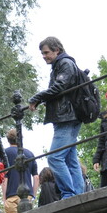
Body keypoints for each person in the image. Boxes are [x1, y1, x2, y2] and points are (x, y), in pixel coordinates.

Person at [28, 36, 86, 198]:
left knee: (54, 157)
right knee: (70, 159)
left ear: (57, 50)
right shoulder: (60, 65)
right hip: (67, 116)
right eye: (42, 54)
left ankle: (69, 193)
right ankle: (77, 193)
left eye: (46, 52)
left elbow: (60, 86)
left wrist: (37, 98)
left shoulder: (65, 64)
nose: (44, 56)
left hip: (67, 117)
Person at [1, 129, 39, 213]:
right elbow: (36, 178)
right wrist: (33, 195)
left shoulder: (5, 153)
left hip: (11, 197)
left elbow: (4, 178)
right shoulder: (30, 154)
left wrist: (4, 199)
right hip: (27, 196)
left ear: (8, 140)